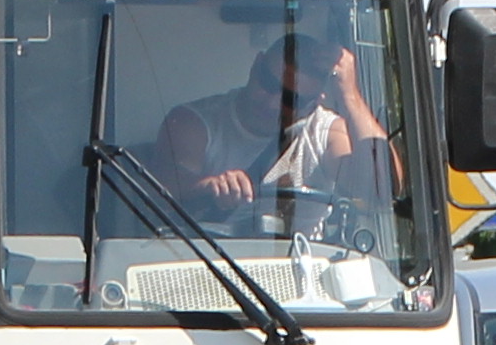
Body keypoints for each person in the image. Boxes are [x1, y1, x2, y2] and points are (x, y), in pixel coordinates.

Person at [165, 28, 397, 222]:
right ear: (255, 65)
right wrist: (210, 188)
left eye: (290, 99)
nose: (271, 102)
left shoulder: (325, 132)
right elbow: (161, 195)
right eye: (267, 83)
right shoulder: (195, 122)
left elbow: (381, 189)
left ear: (314, 103)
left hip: (302, 267)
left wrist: (350, 97)